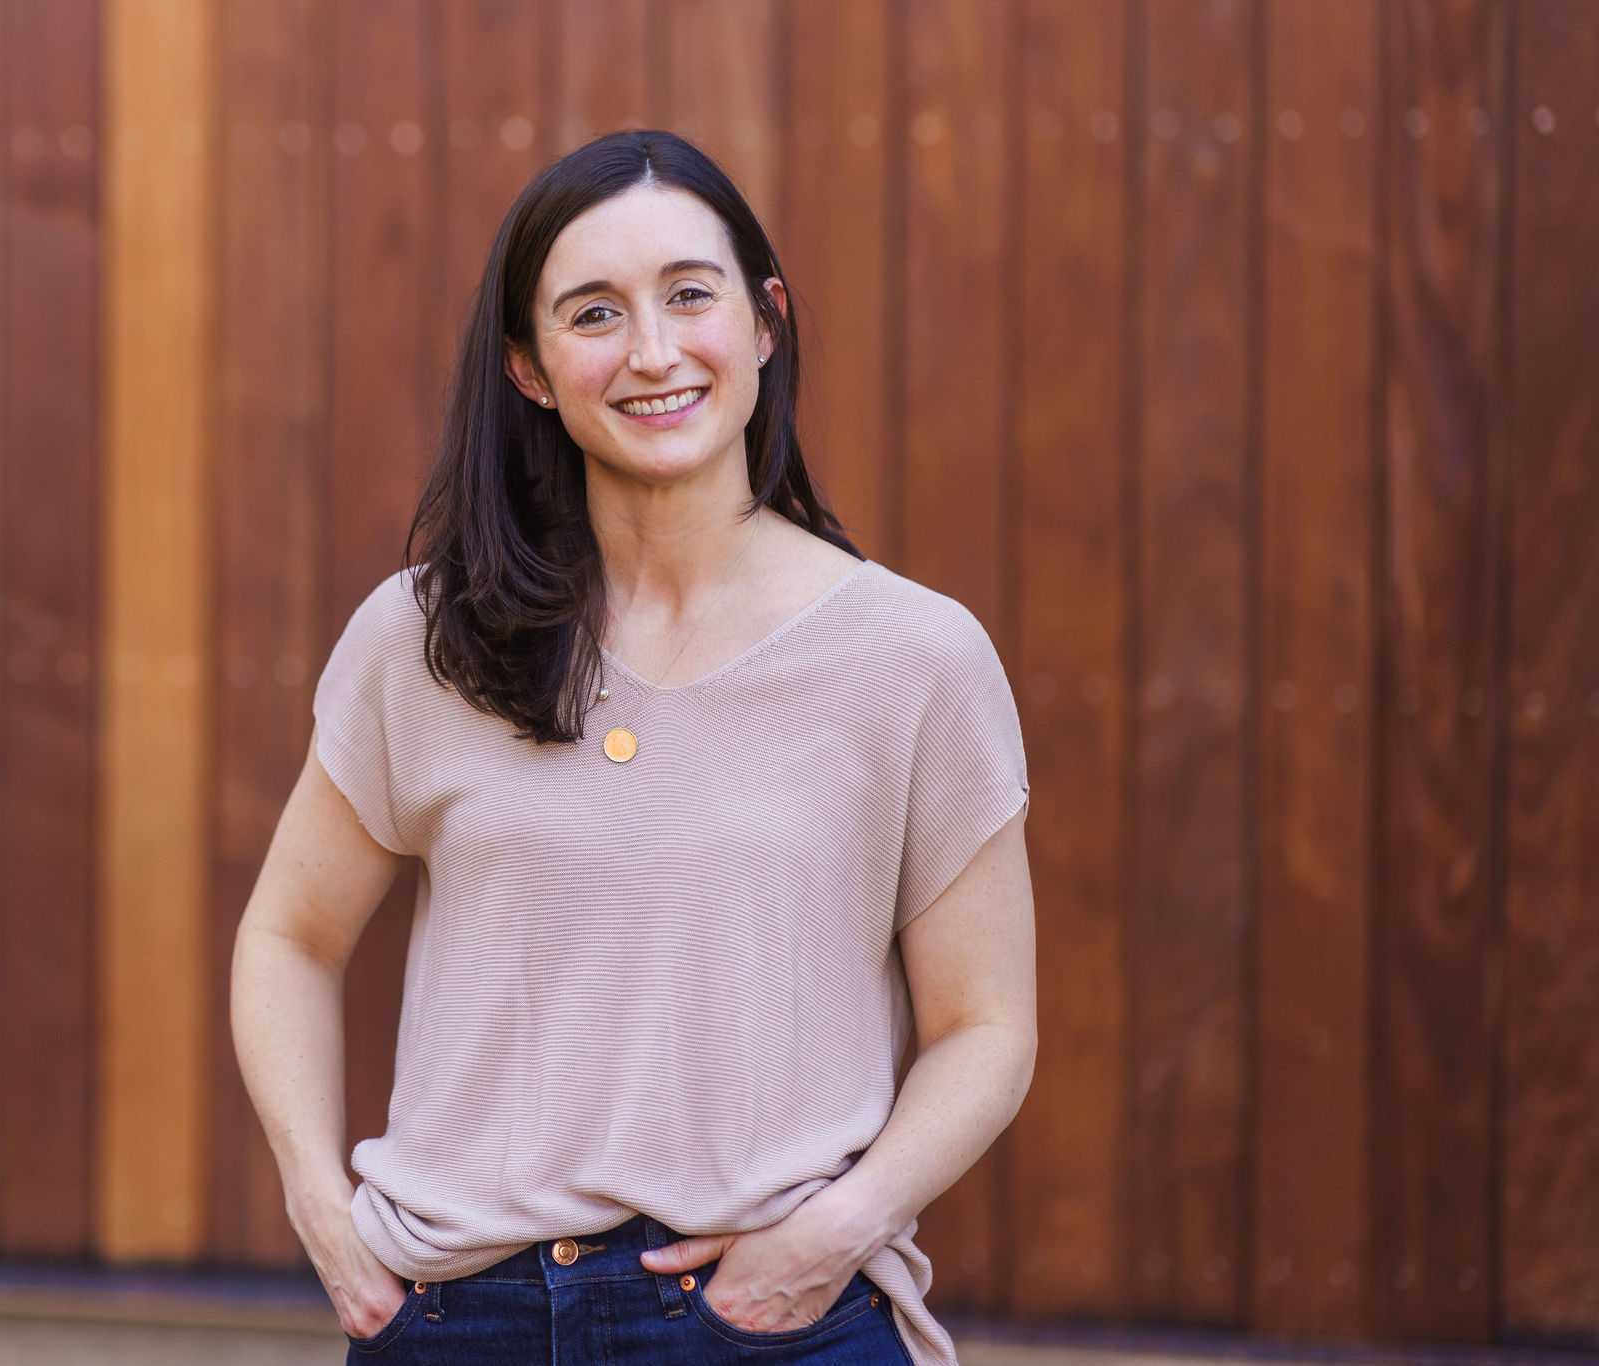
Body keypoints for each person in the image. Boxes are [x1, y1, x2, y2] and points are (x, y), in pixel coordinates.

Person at [229, 128, 1035, 1365]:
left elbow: (984, 1026)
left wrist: (834, 1233)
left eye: (689, 295)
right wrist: (321, 1214)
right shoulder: (427, 636)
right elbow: (288, 935)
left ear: (764, 322)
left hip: (767, 1319)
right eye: (593, 313)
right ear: (531, 368)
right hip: (459, 1318)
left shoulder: (913, 657)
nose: (652, 352)